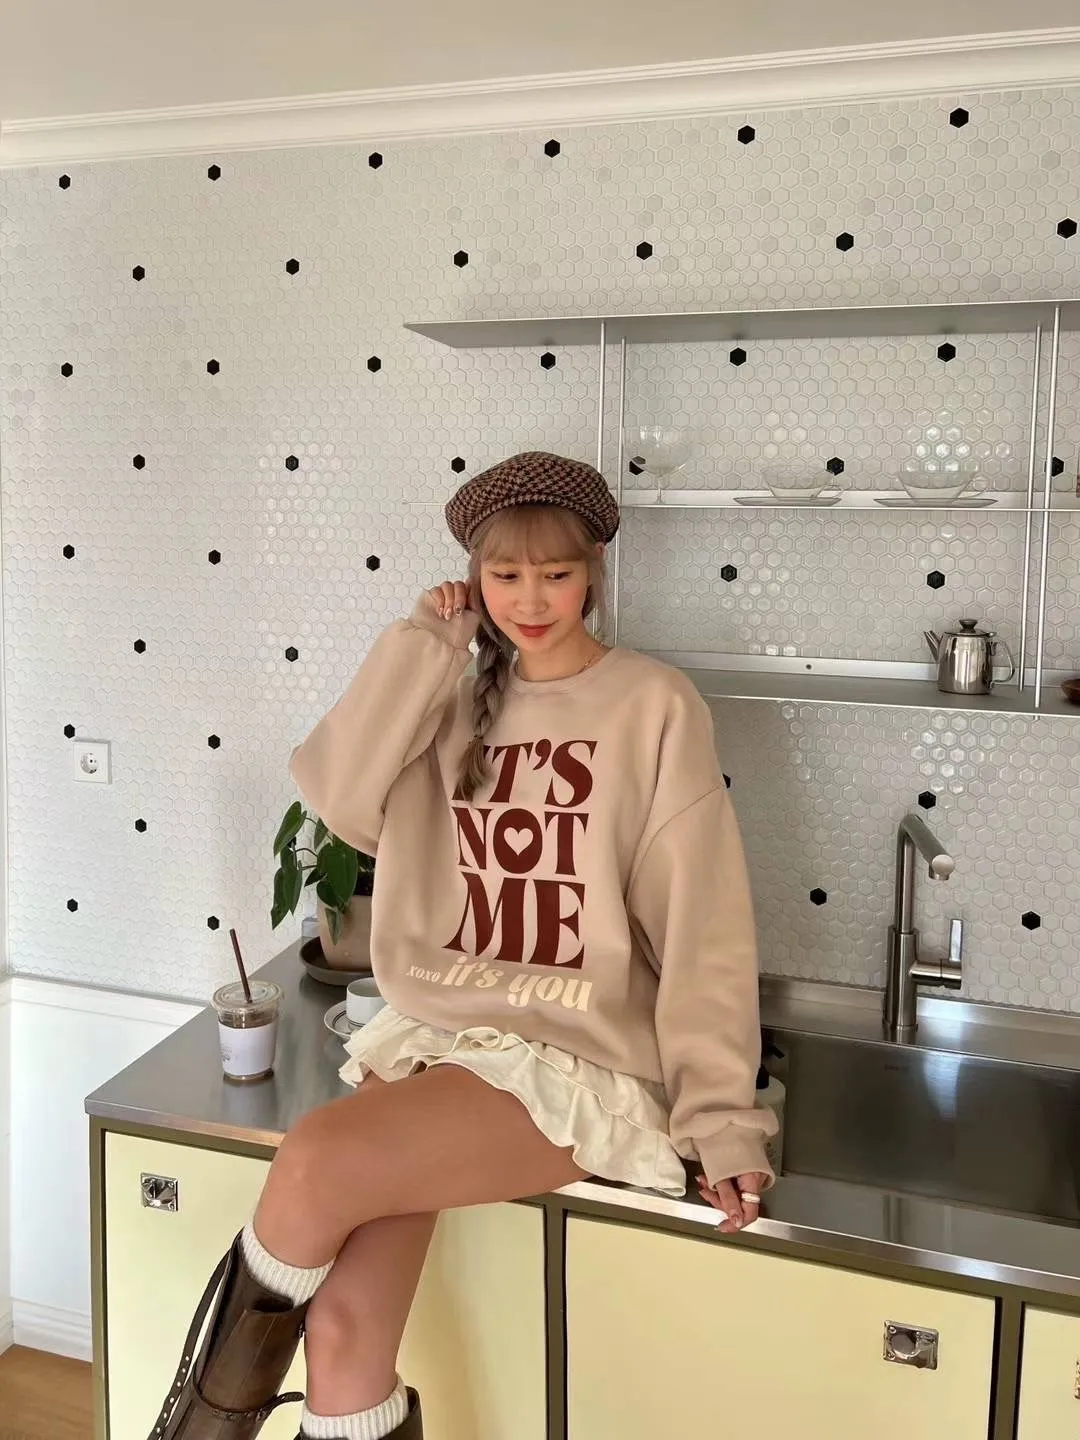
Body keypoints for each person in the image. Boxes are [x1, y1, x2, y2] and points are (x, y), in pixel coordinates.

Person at [149, 450, 777, 1440]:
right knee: (343, 1333)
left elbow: (703, 925)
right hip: (439, 1038)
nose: (531, 599)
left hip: (574, 1054)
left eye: (556, 574)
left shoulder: (653, 703)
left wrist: (722, 1119)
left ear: (594, 572)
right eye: (505, 575)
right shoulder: (446, 692)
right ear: (475, 577)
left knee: (314, 1161)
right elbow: (340, 797)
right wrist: (424, 649)